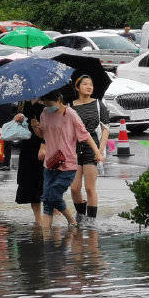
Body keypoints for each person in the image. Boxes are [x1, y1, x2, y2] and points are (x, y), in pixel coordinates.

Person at [36, 89, 90, 230]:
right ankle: (47, 237)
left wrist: (97, 152)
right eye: (46, 104)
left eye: (50, 103)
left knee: (52, 195)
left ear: (59, 99)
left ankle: (71, 221)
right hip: (49, 163)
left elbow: (84, 133)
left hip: (68, 164)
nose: (48, 106)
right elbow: (42, 134)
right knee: (48, 201)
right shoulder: (45, 113)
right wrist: (35, 126)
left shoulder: (70, 114)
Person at [68, 76, 107, 225]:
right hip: (74, 149)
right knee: (74, 187)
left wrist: (100, 150)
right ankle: (80, 215)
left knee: (90, 188)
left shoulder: (98, 104)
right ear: (77, 87)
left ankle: (91, 221)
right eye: (85, 84)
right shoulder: (70, 106)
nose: (89, 87)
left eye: (91, 84)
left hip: (93, 148)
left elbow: (106, 129)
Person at [13, 99, 45, 225]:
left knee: (50, 183)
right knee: (31, 183)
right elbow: (20, 122)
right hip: (29, 146)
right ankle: (38, 219)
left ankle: (56, 213)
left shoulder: (50, 98)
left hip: (48, 144)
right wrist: (18, 120)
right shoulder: (24, 101)